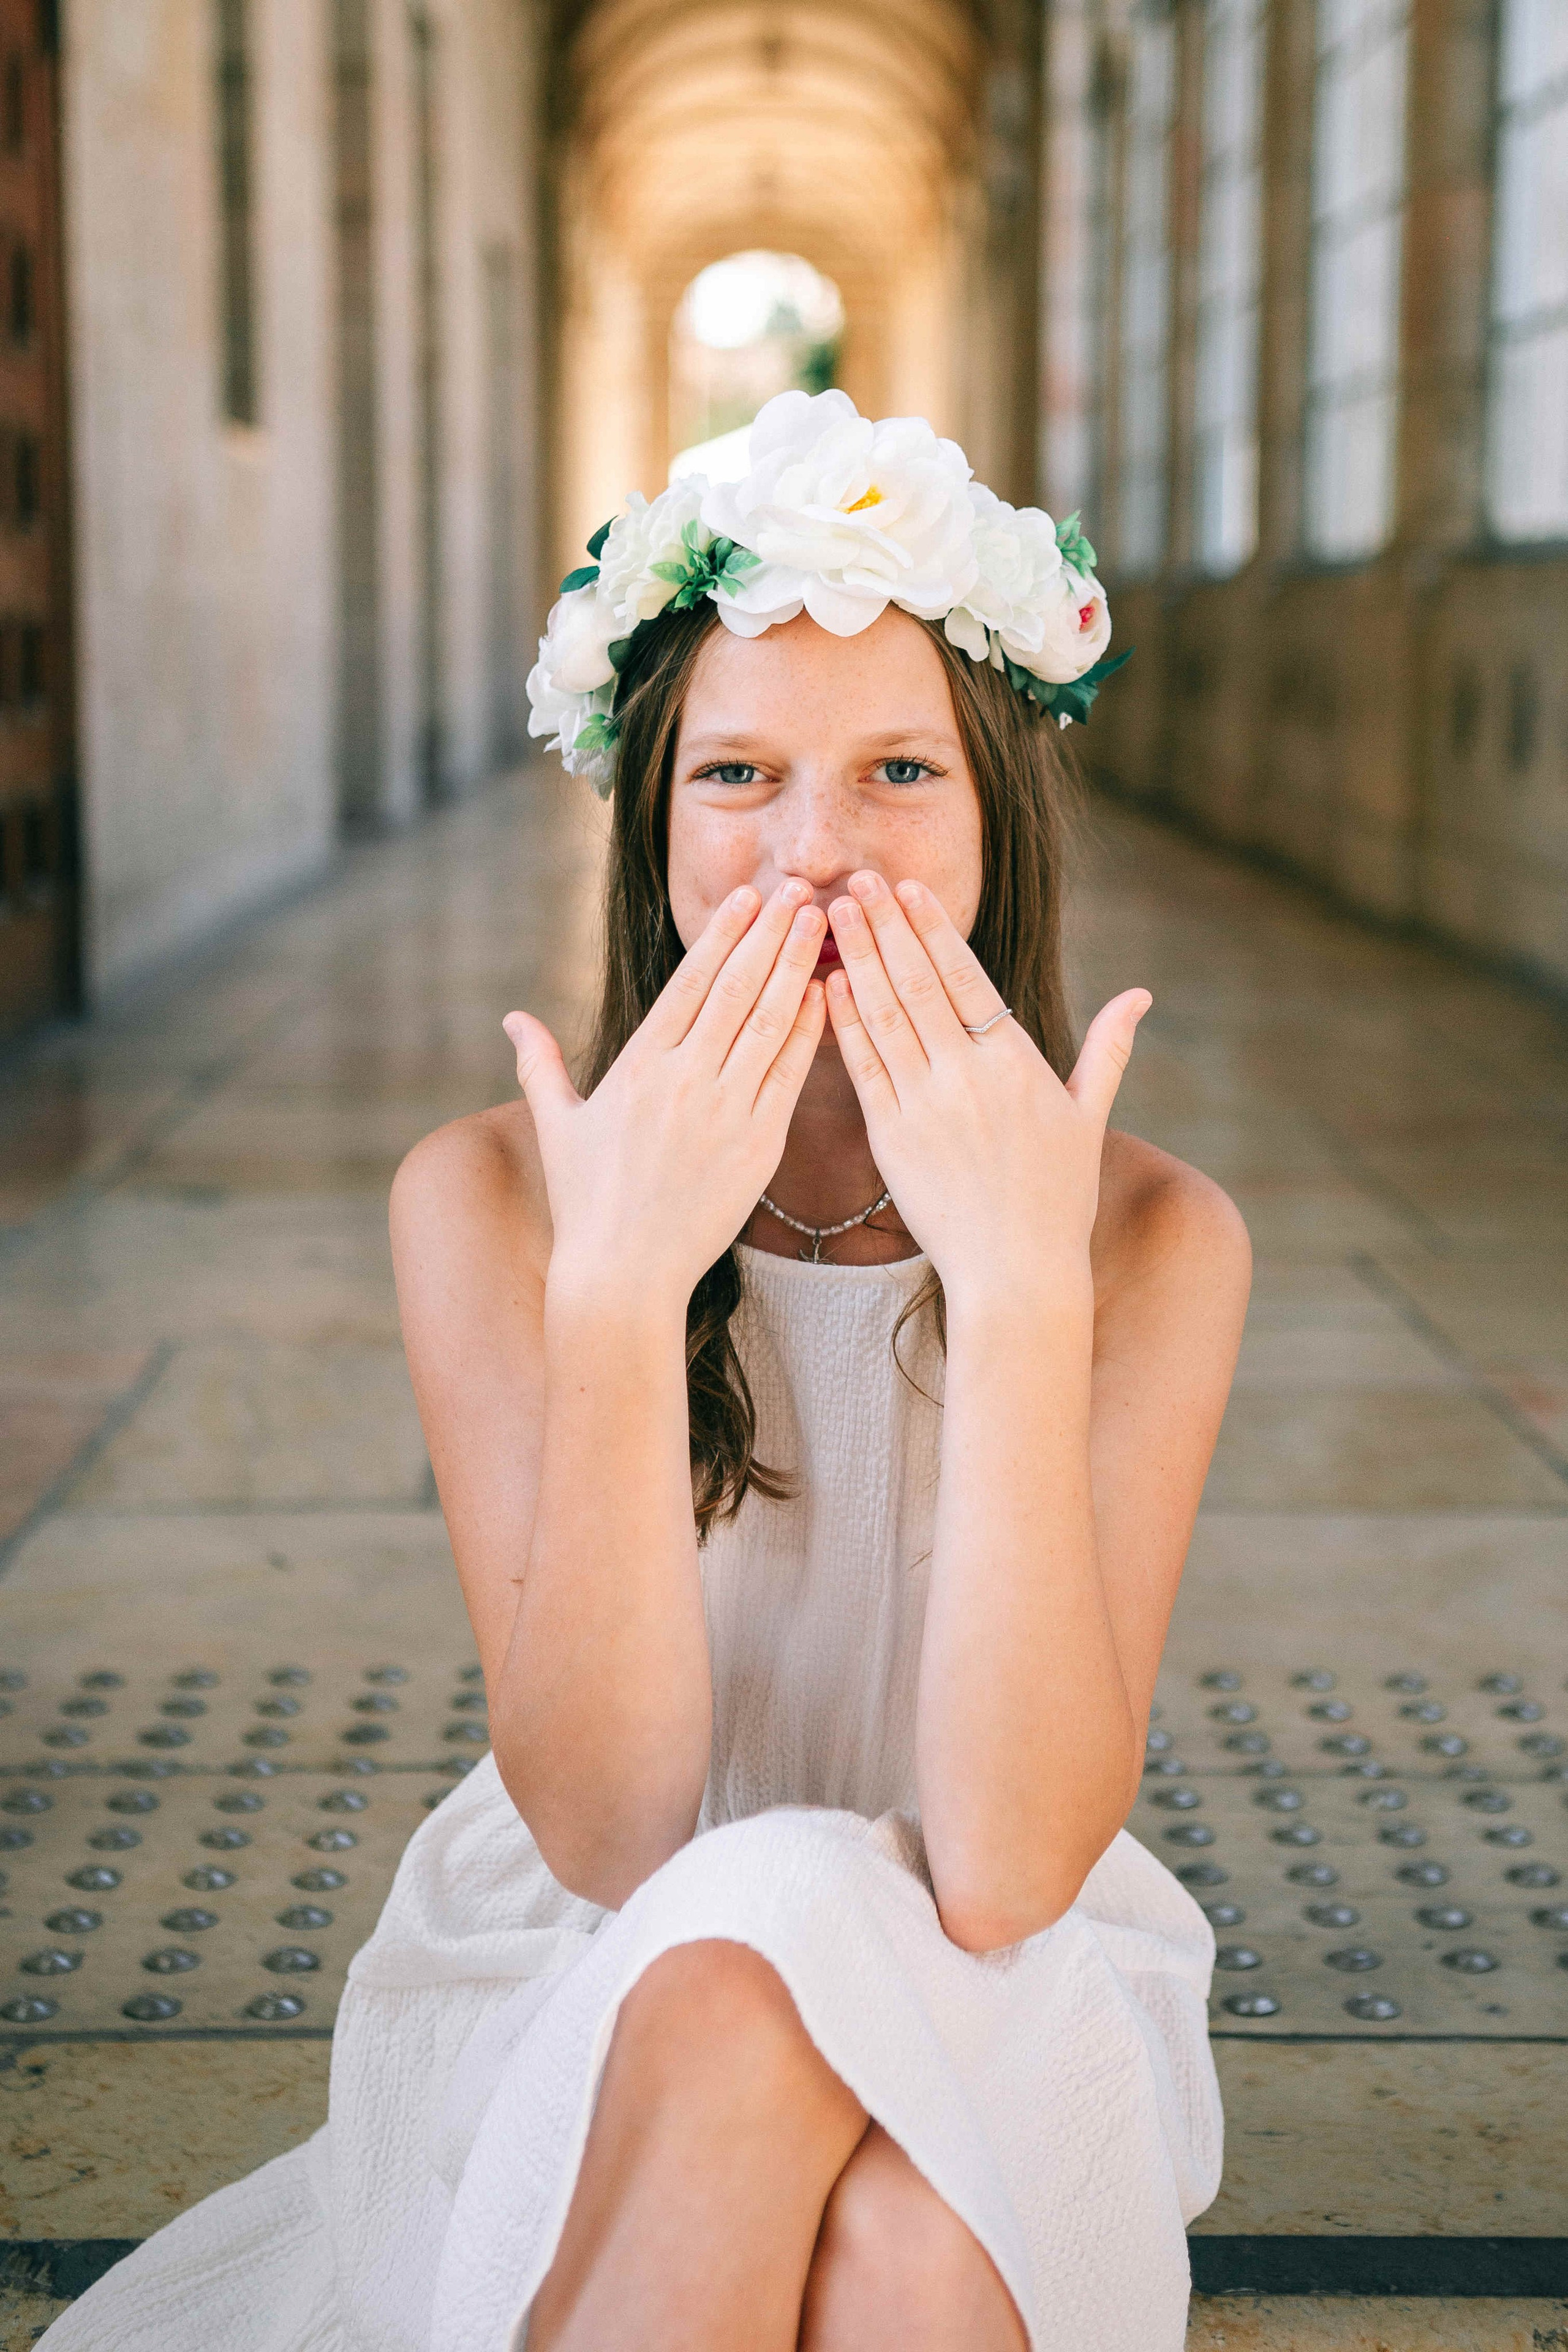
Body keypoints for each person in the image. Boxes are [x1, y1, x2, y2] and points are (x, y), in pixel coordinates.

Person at [39, 391, 1249, 2352]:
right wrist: (617, 1288)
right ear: (651, 822)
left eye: (900, 773)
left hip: (1008, 1974)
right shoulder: (491, 1198)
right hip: (592, 1957)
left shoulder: (1155, 1237)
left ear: (999, 815)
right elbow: (614, 1833)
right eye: (738, 774)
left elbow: (1010, 1867)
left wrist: (1023, 1290)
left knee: (908, 2219)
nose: (817, 851)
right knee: (801, 2039)